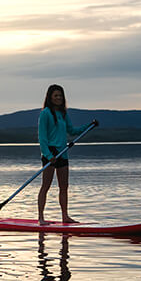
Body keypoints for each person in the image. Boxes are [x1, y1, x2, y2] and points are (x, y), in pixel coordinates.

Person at [37, 84, 86, 224]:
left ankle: (65, 216)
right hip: (50, 153)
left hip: (63, 153)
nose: (59, 98)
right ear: (50, 97)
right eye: (56, 96)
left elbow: (72, 131)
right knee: (45, 186)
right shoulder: (45, 113)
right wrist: (47, 154)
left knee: (64, 187)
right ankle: (41, 218)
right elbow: (42, 137)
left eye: (60, 96)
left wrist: (88, 126)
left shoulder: (63, 114)